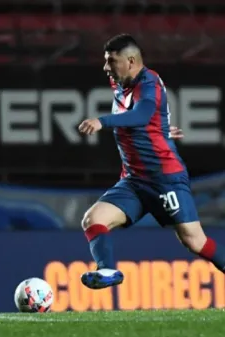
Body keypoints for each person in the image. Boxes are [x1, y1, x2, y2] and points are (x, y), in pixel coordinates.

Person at [77, 33, 225, 289]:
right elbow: (149, 118)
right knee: (93, 218)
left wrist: (102, 121)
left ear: (131, 61)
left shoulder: (150, 82)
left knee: (194, 241)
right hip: (134, 181)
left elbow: (143, 113)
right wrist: (162, 129)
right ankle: (107, 270)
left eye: (111, 61)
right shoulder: (121, 85)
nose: (106, 68)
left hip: (164, 178)